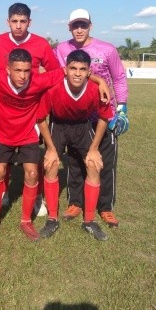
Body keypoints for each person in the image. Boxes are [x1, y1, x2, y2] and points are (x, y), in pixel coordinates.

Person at [0, 48, 65, 241]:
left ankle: (26, 221)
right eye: (18, 70)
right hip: (3, 134)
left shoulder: (38, 81)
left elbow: (68, 71)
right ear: (8, 69)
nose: (23, 76)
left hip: (28, 134)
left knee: (32, 173)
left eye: (26, 71)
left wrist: (99, 81)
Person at [54, 9, 129, 228]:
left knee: (105, 162)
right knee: (75, 161)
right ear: (69, 27)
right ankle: (75, 203)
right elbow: (59, 73)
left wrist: (122, 108)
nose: (79, 29)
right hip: (78, 115)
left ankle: (105, 207)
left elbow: (119, 78)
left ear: (90, 26)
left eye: (83, 25)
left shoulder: (107, 49)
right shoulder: (61, 49)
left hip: (105, 115)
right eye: (75, 25)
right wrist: (97, 79)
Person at [0, 2, 61, 216]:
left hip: (31, 111)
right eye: (15, 21)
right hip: (5, 110)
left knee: (33, 158)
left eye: (23, 21)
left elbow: (55, 71)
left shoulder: (41, 44)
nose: (19, 25)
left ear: (29, 22)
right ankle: (3, 192)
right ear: (8, 22)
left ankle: (37, 196)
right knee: (3, 158)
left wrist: (41, 96)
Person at [36, 50, 112, 240]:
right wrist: (50, 149)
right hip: (59, 126)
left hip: (82, 127)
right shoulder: (53, 88)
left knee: (93, 165)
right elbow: (40, 118)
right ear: (66, 69)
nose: (77, 73)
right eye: (73, 68)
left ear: (89, 72)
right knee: (51, 164)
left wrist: (94, 149)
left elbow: (104, 118)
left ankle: (89, 221)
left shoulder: (96, 89)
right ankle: (52, 219)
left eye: (82, 69)